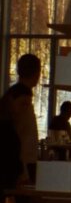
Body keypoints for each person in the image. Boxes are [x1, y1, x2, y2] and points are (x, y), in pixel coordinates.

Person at [1, 54, 42, 184]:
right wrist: (21, 170)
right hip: (19, 164)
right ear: (36, 73)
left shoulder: (13, 95)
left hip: (18, 162)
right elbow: (18, 135)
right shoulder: (21, 99)